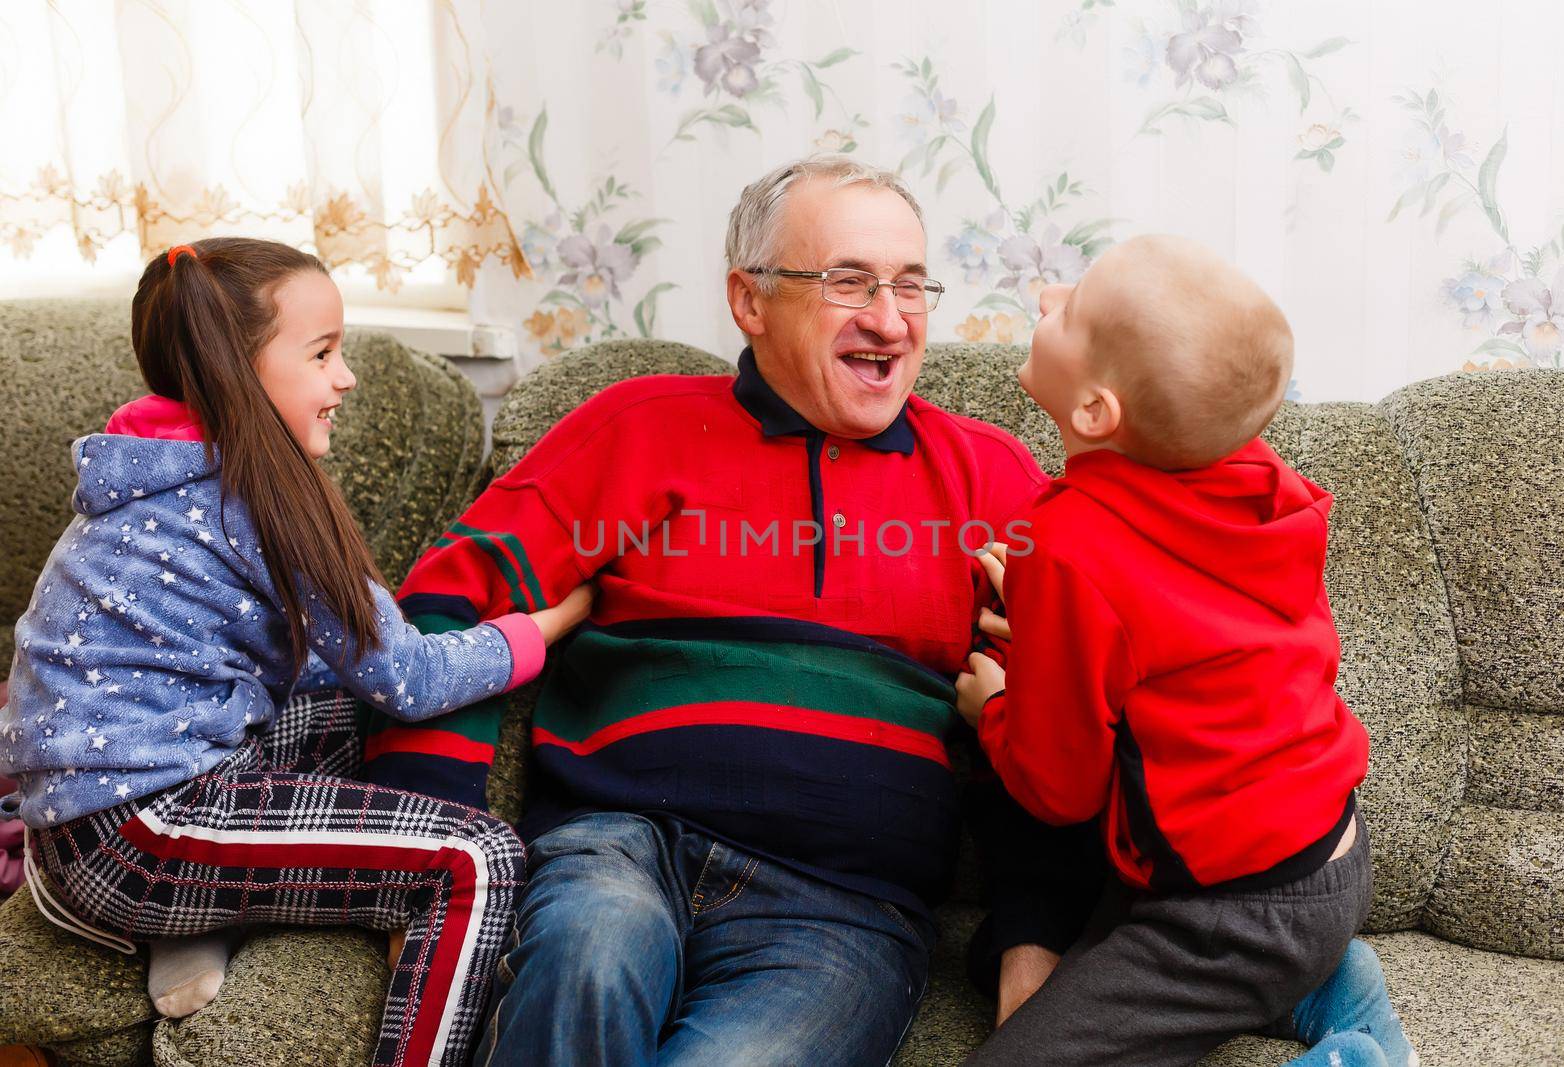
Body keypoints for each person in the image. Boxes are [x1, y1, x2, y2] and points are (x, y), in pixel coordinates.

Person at [361, 156, 1075, 1066]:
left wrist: (1031, 944)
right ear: (749, 299)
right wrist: (425, 868)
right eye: (849, 282)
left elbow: (1056, 722)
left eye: (909, 285)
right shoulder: (634, 426)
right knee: (588, 959)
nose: (890, 320)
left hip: (845, 903)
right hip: (619, 844)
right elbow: (447, 614)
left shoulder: (992, 475)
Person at [0, 238, 591, 1067]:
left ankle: (199, 916)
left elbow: (321, 667)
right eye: (322, 353)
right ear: (234, 370)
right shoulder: (262, 500)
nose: (345, 377)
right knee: (478, 857)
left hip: (87, 815)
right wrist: (547, 623)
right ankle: (175, 910)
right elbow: (412, 679)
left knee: (336, 703)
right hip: (135, 835)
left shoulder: (150, 467)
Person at [955, 234, 1416, 1066]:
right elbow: (1175, 638)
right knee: (1027, 965)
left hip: (1232, 912)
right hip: (1331, 857)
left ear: (1095, 410)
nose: (1048, 294)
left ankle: (1334, 1028)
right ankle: (1322, 980)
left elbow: (1058, 788)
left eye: (1073, 305)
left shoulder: (1065, 544)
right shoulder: (1251, 475)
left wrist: (994, 704)